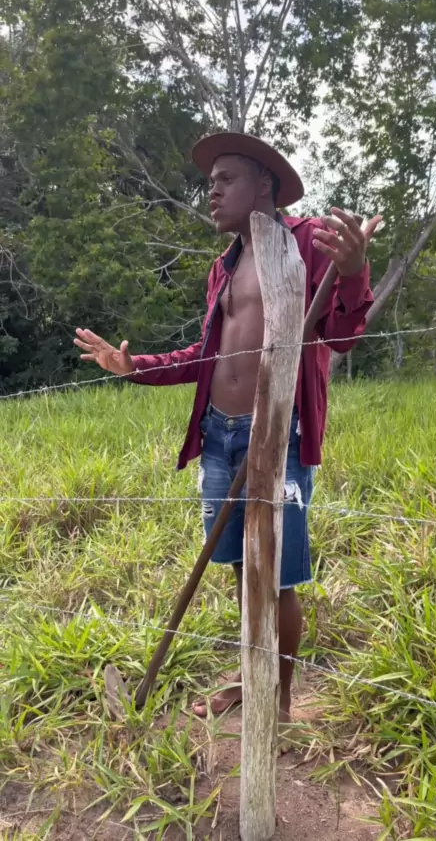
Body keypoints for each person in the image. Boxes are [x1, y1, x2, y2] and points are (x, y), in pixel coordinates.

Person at [74, 132, 381, 724]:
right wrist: (136, 366)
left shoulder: (309, 243)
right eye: (209, 182)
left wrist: (352, 272)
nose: (211, 192)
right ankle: (249, 675)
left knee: (277, 577)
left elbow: (343, 336)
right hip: (220, 435)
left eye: (226, 180)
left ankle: (278, 704)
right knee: (243, 567)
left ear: (264, 184)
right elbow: (206, 355)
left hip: (280, 434)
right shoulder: (223, 267)